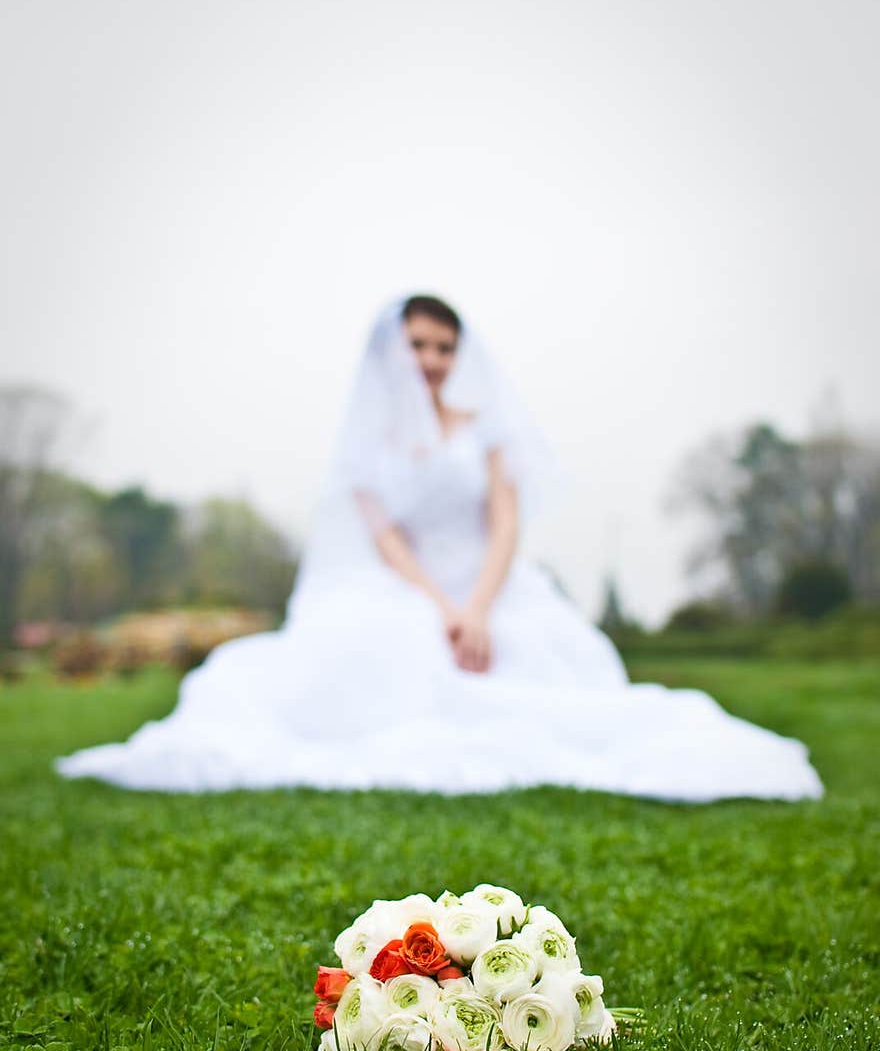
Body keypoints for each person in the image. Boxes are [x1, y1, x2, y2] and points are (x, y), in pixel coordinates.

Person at [53, 292, 825, 801]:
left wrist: (480, 607)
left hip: (493, 582)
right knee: (384, 651)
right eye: (418, 343)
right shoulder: (368, 443)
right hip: (413, 585)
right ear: (393, 347)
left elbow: (506, 519)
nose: (431, 359)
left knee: (556, 670)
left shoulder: (484, 427)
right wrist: (443, 609)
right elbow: (385, 537)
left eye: (445, 346)